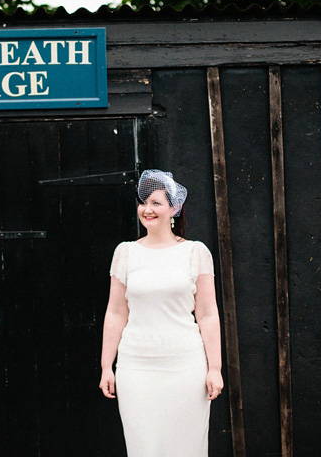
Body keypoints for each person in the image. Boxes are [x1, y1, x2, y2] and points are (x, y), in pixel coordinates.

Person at [99, 169, 224, 456]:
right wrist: (107, 365)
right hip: (136, 367)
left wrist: (214, 368)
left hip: (185, 366)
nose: (148, 209)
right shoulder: (126, 253)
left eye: (157, 202)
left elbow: (207, 314)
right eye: (144, 202)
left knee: (186, 447)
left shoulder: (195, 252)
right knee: (144, 447)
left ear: (174, 209)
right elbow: (116, 312)